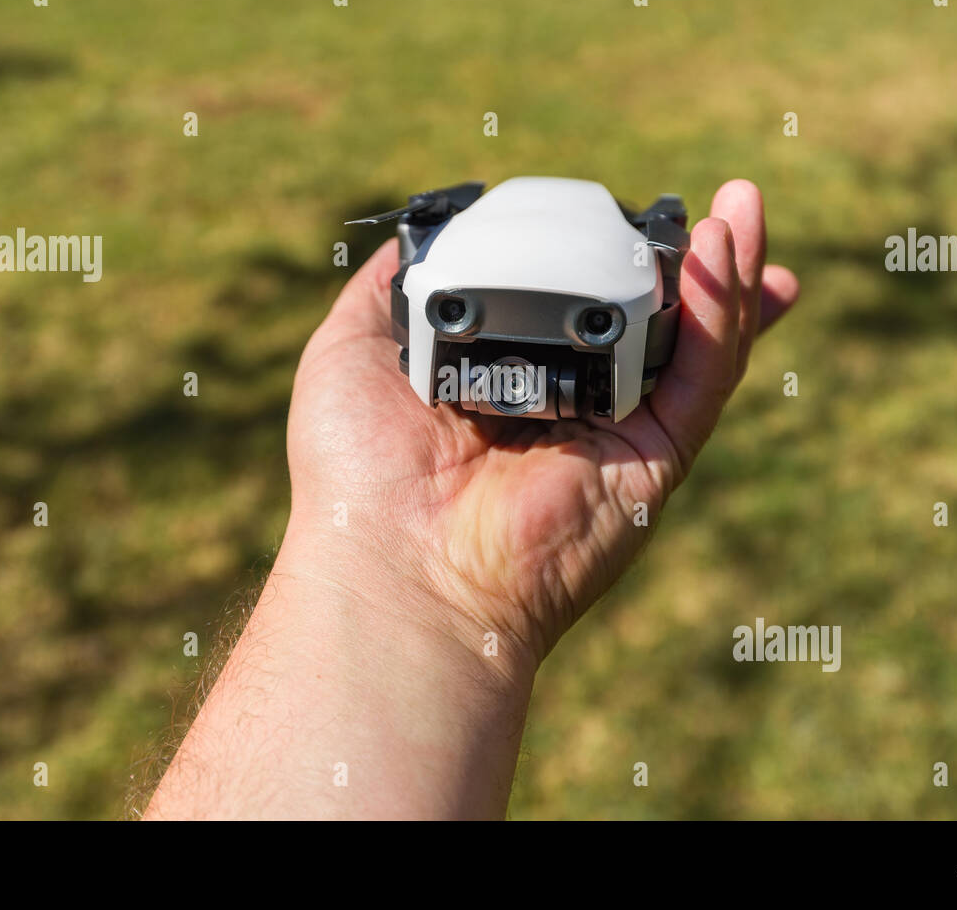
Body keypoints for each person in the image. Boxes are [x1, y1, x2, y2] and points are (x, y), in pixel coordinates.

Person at [145, 179, 799, 819]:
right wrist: (409, 578)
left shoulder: (463, 263)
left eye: (594, 327)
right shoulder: (633, 265)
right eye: (456, 317)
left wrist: (391, 576)